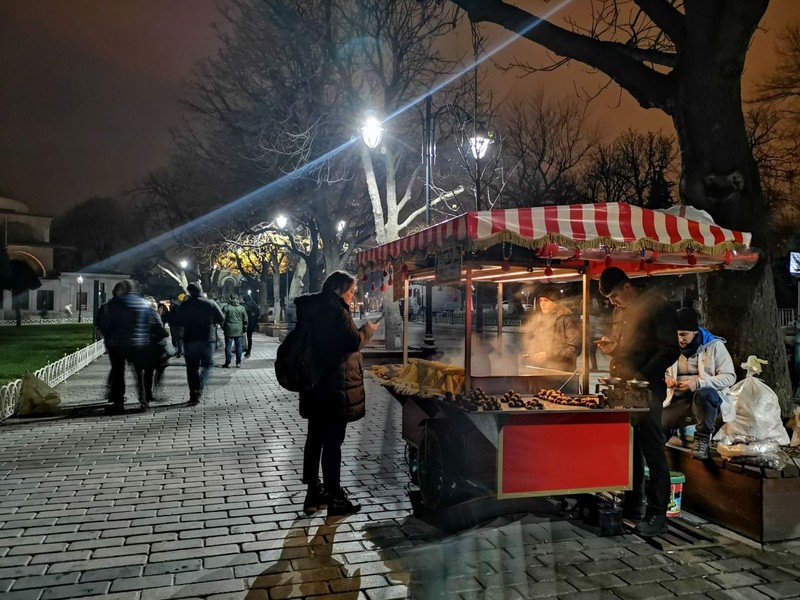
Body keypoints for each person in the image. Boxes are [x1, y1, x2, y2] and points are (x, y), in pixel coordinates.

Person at [595, 267, 680, 537]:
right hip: (625, 388)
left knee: (653, 451)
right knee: (630, 448)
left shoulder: (658, 307)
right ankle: (633, 503)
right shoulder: (623, 311)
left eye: (614, 296)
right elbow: (631, 347)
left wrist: (642, 377)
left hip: (647, 390)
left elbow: (670, 349)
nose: (612, 303)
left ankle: (658, 514)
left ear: (627, 287)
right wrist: (615, 351)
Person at [295, 270, 378, 517]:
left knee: (315, 439)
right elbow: (352, 342)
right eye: (351, 291)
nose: (353, 296)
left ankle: (314, 493)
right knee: (333, 442)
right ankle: (335, 497)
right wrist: (369, 329)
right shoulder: (335, 311)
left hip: (314, 385)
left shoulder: (311, 308)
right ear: (338, 289)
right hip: (334, 386)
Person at [662, 307, 736, 460]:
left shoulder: (714, 345)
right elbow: (662, 370)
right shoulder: (670, 347)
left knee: (704, 393)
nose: (680, 339)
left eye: (684, 335)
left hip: (706, 402)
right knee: (659, 427)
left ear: (695, 332)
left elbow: (729, 377)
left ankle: (702, 440)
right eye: (676, 335)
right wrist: (666, 379)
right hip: (678, 399)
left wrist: (698, 383)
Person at [98, 280, 162, 414]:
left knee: (119, 374)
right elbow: (153, 322)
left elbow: (105, 323)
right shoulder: (143, 303)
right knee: (139, 374)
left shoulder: (113, 304)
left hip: (117, 344)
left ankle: (119, 403)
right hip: (138, 344)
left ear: (122, 290)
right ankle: (143, 401)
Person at [173, 282, 224, 405]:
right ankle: (200, 385)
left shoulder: (185, 305)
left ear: (189, 292)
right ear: (200, 290)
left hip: (190, 339)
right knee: (208, 364)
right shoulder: (210, 303)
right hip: (207, 338)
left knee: (191, 368)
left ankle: (194, 394)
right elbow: (221, 318)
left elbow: (178, 320)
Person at [522, 286, 581, 390]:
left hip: (563, 377)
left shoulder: (567, 319)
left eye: (546, 300)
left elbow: (574, 349)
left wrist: (549, 356)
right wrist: (533, 354)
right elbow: (539, 342)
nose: (542, 304)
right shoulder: (541, 319)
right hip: (542, 374)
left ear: (556, 302)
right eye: (541, 300)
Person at [143, 297, 171, 403]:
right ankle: (156, 392)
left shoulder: (140, 315)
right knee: (159, 370)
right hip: (157, 348)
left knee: (148, 372)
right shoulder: (154, 315)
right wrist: (166, 333)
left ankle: (147, 394)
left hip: (145, 348)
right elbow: (162, 331)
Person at [221, 294, 248, 368]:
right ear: (237, 299)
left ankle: (228, 363)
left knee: (228, 347)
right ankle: (238, 363)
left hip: (229, 330)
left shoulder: (226, 307)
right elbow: (245, 320)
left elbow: (221, 319)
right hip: (239, 330)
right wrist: (244, 329)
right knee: (239, 347)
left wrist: (223, 327)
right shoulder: (241, 308)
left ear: (230, 298)